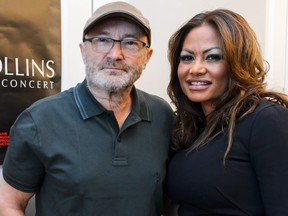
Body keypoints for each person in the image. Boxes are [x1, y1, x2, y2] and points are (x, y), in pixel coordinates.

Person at [0, 1, 175, 215]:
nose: (115, 54)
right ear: (83, 51)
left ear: (147, 57)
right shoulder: (39, 120)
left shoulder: (163, 115)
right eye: (102, 40)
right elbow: (8, 203)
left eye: (130, 43)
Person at [165, 9, 288, 215]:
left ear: (238, 63)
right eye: (187, 58)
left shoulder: (267, 120)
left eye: (212, 57)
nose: (195, 69)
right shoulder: (189, 128)